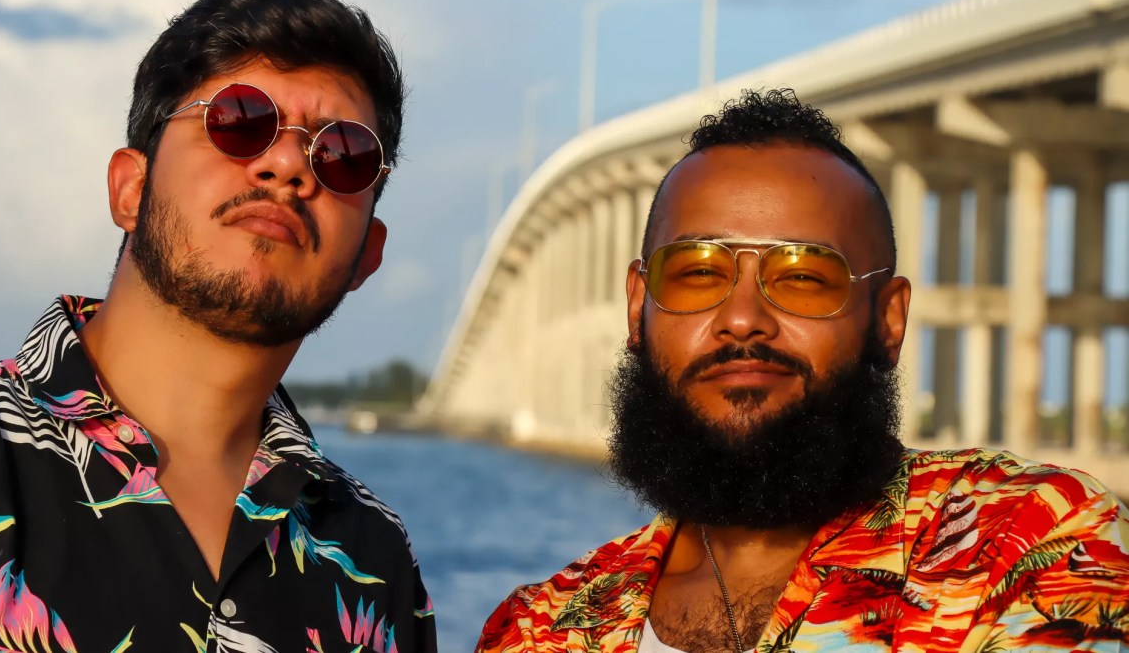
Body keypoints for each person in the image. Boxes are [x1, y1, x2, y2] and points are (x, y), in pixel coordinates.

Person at [0, 0, 436, 652]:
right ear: (130, 188)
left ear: (367, 255)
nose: (290, 167)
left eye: (342, 154)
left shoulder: (374, 559)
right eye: (242, 122)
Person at [477, 90, 1128, 653]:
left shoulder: (1031, 546)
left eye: (805, 279)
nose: (742, 318)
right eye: (699, 272)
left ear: (888, 319)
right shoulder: (541, 626)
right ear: (637, 307)